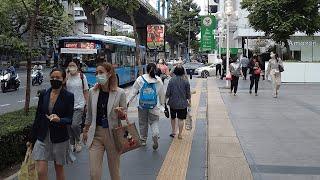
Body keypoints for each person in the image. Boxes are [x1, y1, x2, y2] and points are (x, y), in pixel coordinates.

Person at [82, 63, 127, 180]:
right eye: (96, 73)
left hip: (113, 135)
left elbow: (124, 116)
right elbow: (89, 114)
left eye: (101, 72)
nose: (98, 75)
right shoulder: (93, 91)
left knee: (115, 173)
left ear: (109, 73)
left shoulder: (120, 92)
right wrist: (85, 130)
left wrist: (121, 113)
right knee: (94, 174)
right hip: (96, 135)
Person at [31, 68, 74, 180]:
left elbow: (70, 119)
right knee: (40, 171)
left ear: (63, 80)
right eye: (52, 77)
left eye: (58, 78)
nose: (55, 79)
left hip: (60, 138)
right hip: (43, 136)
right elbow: (38, 116)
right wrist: (31, 138)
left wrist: (59, 120)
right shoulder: (44, 94)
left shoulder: (68, 96)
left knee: (59, 169)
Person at [127, 63, 165, 150]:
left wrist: (127, 102)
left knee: (142, 122)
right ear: (155, 70)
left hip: (142, 105)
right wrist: (163, 105)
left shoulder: (140, 79)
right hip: (154, 106)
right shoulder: (158, 80)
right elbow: (161, 95)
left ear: (146, 69)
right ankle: (155, 134)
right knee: (154, 121)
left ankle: (143, 140)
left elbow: (133, 91)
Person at [66, 60, 89, 153]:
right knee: (68, 126)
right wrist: (65, 77)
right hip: (68, 106)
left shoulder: (82, 77)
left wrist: (86, 104)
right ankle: (72, 142)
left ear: (77, 66)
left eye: (73, 65)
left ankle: (78, 141)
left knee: (75, 125)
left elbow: (86, 91)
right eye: (70, 66)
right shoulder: (67, 77)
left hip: (79, 104)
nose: (71, 67)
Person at [166, 65, 191, 139]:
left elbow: (168, 92)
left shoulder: (171, 80)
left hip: (173, 103)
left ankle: (173, 132)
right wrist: (190, 102)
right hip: (183, 104)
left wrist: (165, 99)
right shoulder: (186, 81)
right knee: (181, 119)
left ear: (175, 72)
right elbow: (188, 93)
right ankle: (180, 134)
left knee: (173, 117)